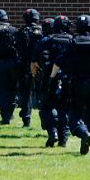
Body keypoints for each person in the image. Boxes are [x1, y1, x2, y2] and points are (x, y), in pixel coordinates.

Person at [51, 15, 90, 155]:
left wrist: (51, 78)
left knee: (74, 115)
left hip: (76, 84)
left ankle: (84, 134)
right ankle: (88, 135)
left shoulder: (73, 42)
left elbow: (59, 61)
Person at [32, 15, 73, 147]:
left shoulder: (45, 40)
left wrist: (34, 76)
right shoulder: (73, 40)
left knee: (46, 108)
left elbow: (33, 62)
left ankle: (52, 133)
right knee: (64, 110)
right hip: (68, 80)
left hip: (48, 79)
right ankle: (63, 139)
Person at [15, 8, 43, 127]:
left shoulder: (20, 32)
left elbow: (15, 47)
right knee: (42, 93)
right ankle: (46, 121)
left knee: (25, 93)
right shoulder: (42, 31)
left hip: (24, 65)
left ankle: (26, 119)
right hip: (39, 66)